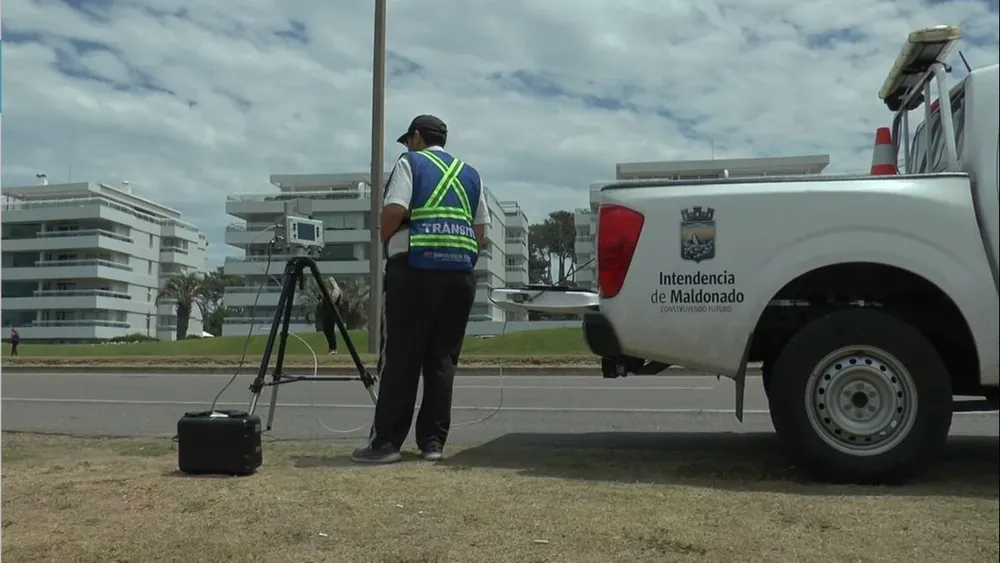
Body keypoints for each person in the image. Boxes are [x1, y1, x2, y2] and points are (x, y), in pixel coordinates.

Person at [351, 114, 488, 464]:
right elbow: (481, 231)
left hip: (414, 267)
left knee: (402, 356)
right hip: (459, 274)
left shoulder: (410, 163)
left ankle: (386, 444)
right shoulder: (470, 174)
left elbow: (395, 208)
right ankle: (432, 443)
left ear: (415, 137)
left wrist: (383, 237)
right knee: (442, 360)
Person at [316, 277, 344, 355]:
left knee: (330, 331)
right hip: (327, 314)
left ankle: (333, 348)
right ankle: (331, 348)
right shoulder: (329, 292)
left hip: (331, 314)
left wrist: (324, 296)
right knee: (326, 330)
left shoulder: (335, 292)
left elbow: (331, 302)